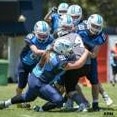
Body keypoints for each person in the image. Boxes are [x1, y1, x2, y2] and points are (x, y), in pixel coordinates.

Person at [0, 38, 89, 111]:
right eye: (68, 48)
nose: (70, 50)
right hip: (40, 83)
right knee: (59, 101)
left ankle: (5, 103)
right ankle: (40, 109)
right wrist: (86, 52)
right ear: (61, 49)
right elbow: (78, 65)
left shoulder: (49, 50)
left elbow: (66, 55)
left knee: (28, 97)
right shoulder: (59, 61)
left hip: (33, 78)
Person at [15, 20, 54, 108]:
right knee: (21, 85)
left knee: (34, 84)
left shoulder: (51, 39)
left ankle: (24, 100)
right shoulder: (30, 37)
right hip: (24, 63)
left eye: (45, 34)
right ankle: (18, 102)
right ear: (35, 32)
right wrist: (48, 51)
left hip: (35, 65)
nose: (43, 36)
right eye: (40, 34)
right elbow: (35, 51)